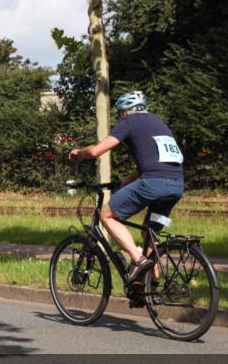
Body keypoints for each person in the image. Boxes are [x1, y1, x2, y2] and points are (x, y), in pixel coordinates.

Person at [67, 91, 184, 285]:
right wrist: (124, 182)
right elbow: (156, 163)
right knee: (149, 233)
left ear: (125, 111)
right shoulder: (159, 123)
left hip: (152, 184)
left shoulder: (130, 122)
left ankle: (138, 260)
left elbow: (97, 151)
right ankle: (151, 288)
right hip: (175, 188)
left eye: (120, 113)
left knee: (107, 215)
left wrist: (78, 152)